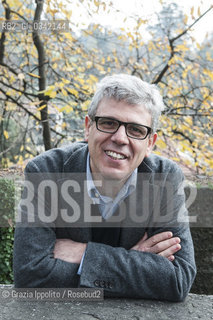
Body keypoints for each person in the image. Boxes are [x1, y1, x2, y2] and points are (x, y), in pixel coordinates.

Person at [13, 74, 196, 301]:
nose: (120, 138)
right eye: (108, 123)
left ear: (150, 143)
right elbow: (30, 278)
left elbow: (177, 280)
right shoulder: (46, 172)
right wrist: (135, 261)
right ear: (88, 127)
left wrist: (85, 254)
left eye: (136, 130)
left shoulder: (165, 178)